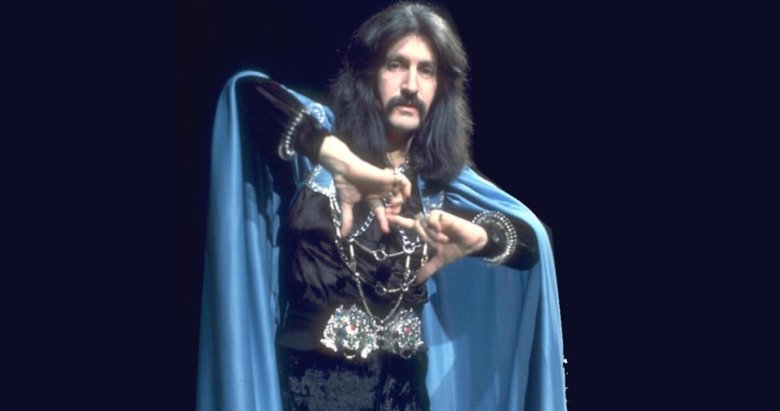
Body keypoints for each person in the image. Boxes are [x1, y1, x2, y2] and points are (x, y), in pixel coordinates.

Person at [197, 2, 566, 410]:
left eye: (426, 70)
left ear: (441, 89)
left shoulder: (439, 187)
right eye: (396, 64)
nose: (411, 85)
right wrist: (338, 158)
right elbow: (245, 91)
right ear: (368, 73)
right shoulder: (317, 148)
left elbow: (532, 244)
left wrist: (481, 237)